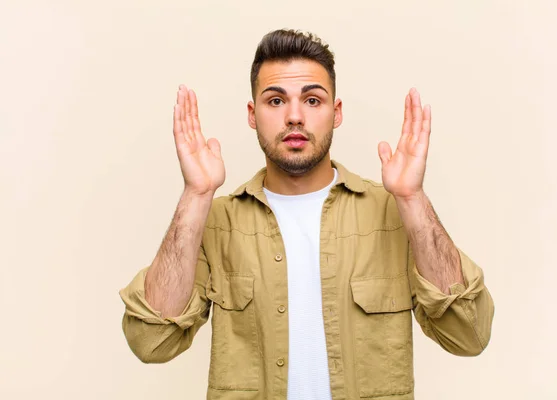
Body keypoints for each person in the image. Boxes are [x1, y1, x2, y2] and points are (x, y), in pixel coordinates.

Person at [119, 29, 494, 400]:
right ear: (253, 114)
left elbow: (469, 335)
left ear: (337, 112)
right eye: (276, 101)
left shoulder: (393, 214)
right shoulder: (217, 221)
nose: (295, 117)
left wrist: (412, 199)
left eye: (312, 101)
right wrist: (195, 194)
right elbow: (152, 341)